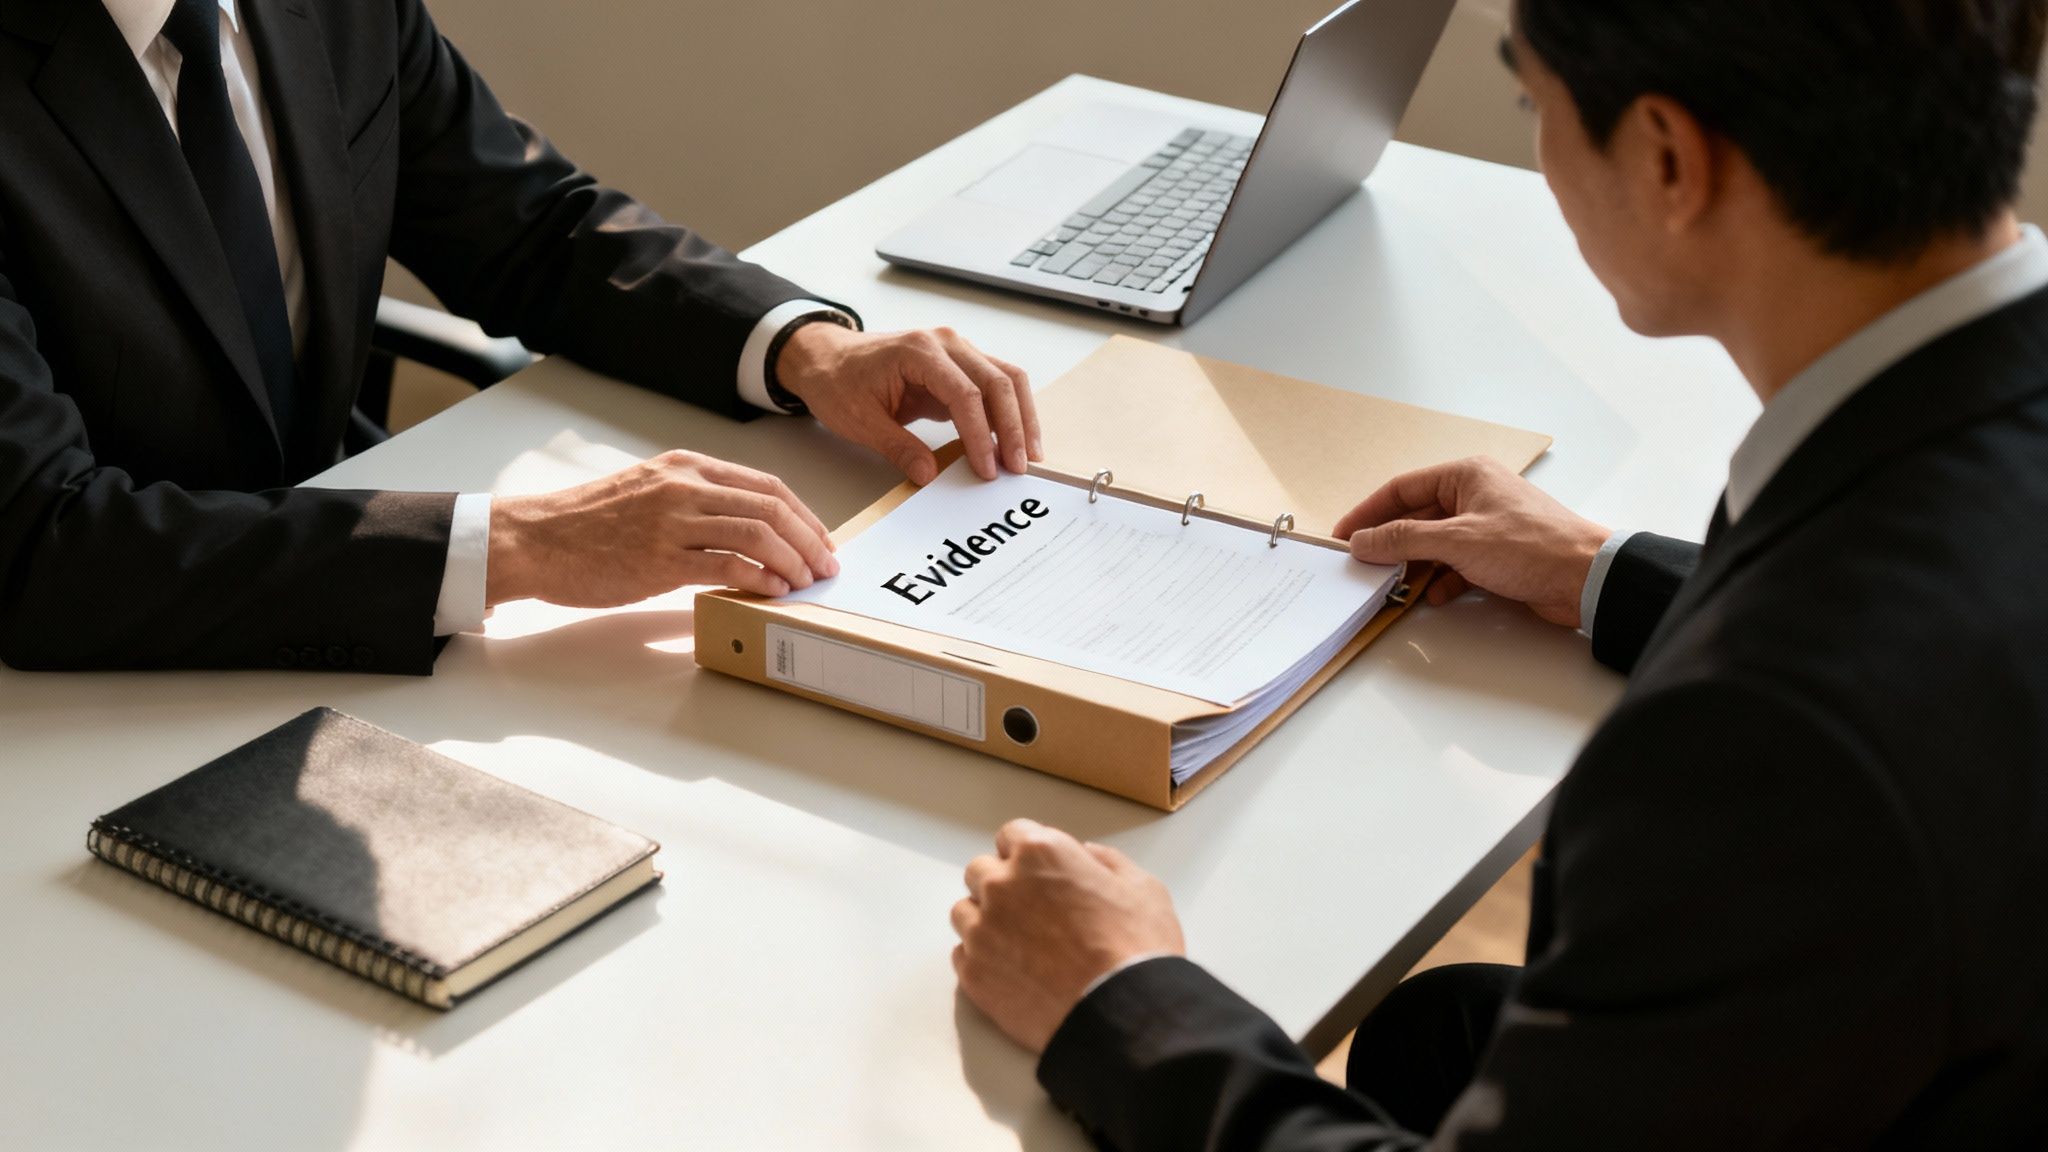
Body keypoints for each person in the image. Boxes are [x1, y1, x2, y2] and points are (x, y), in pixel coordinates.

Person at [950, 0, 2048, 1146]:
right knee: (1435, 1032)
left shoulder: (1759, 749)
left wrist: (1118, 1001)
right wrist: (1598, 570)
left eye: (1534, 102)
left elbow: (1837, 709)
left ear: (1669, 160)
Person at [0, 0, 1039, 673]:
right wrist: (522, 542)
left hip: (328, 606)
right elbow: (41, 547)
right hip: (97, 683)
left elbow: (527, 226)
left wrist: (802, 350)